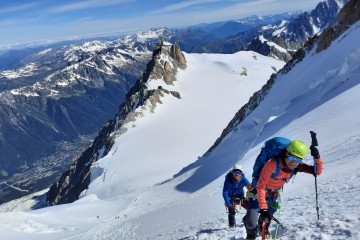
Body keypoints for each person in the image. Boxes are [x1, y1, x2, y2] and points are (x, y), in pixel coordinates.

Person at [244, 140, 323, 240]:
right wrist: (263, 208)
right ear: (285, 154)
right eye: (291, 157)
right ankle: (251, 234)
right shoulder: (272, 163)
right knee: (251, 224)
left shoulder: (296, 167)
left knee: (270, 212)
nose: (293, 162)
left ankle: (262, 226)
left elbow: (317, 172)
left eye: (298, 160)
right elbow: (261, 186)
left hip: (273, 195)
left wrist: (317, 157)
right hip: (258, 193)